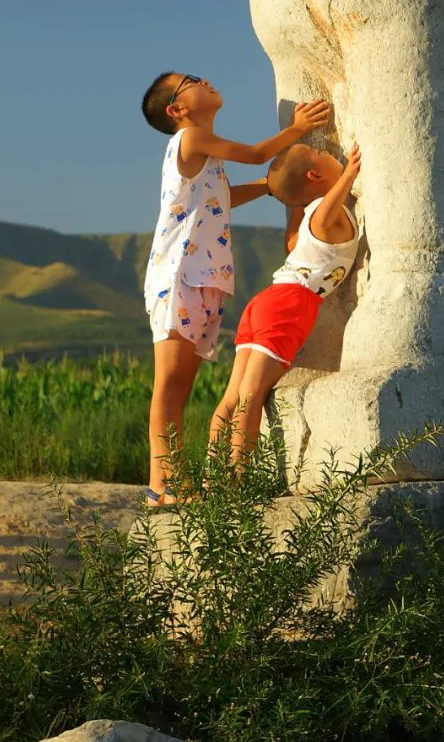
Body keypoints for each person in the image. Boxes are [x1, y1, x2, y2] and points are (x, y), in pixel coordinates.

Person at [139, 70, 331, 505]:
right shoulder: (189, 139)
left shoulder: (203, 155)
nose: (204, 79)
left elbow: (222, 195)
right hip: (180, 274)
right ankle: (161, 484)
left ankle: (174, 481)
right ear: (178, 110)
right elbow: (254, 153)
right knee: (168, 382)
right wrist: (296, 131)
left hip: (204, 277)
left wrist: (271, 187)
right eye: (190, 80)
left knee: (182, 384)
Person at [209, 138, 361, 466]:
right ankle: (236, 480)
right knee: (251, 397)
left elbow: (294, 236)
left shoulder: (303, 223)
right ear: (314, 176)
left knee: (232, 398)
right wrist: (349, 173)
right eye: (322, 155)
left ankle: (211, 478)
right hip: (288, 305)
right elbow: (327, 205)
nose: (328, 154)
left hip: (266, 302)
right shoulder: (321, 217)